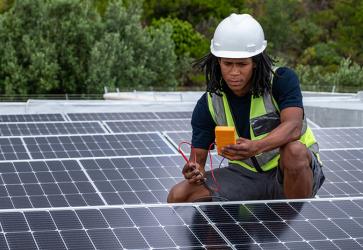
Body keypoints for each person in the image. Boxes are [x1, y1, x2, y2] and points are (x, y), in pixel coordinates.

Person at [167, 13, 325, 202]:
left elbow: (293, 127)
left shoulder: (281, 80)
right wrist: (194, 170)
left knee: (294, 151)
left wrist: (256, 147)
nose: (234, 72)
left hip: (293, 172)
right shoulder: (208, 103)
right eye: (227, 64)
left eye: (242, 64)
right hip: (247, 176)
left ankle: (297, 222)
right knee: (179, 195)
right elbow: (197, 160)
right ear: (218, 62)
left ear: (256, 62)